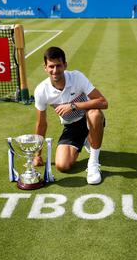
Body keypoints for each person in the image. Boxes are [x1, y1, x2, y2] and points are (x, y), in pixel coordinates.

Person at [33, 47, 108, 185]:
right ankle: (86, 139)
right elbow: (41, 124)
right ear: (45, 68)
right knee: (63, 166)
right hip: (71, 126)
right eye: (51, 66)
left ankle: (93, 163)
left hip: (88, 119)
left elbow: (103, 102)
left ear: (65, 65)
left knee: (95, 114)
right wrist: (37, 154)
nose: (55, 71)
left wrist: (73, 105)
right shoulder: (41, 90)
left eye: (58, 66)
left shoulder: (77, 77)